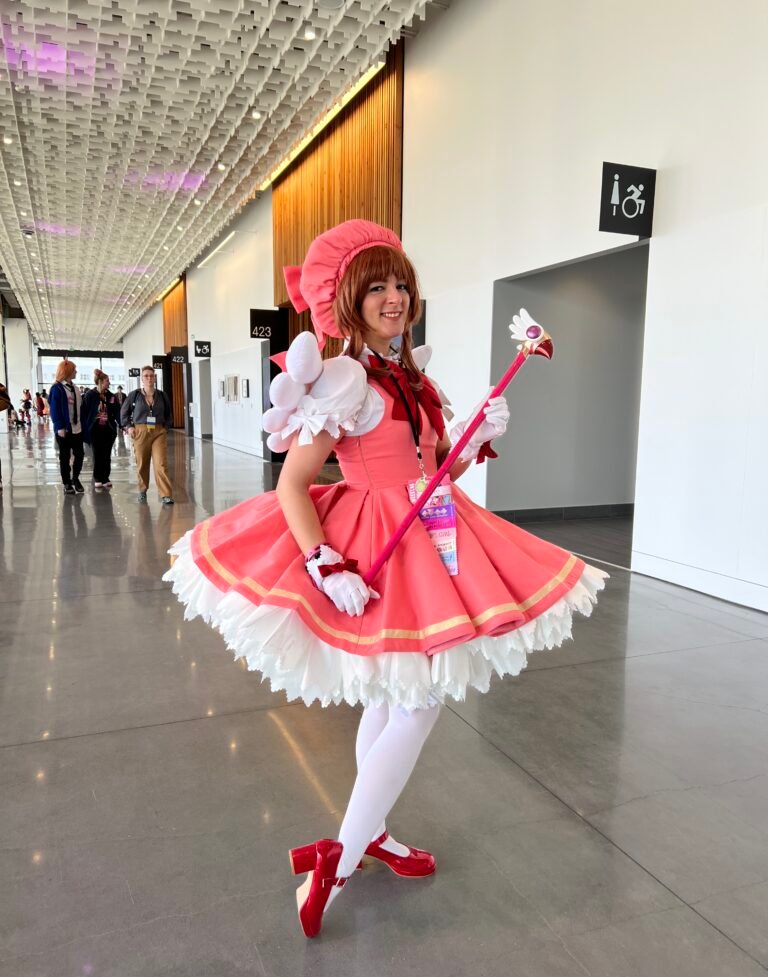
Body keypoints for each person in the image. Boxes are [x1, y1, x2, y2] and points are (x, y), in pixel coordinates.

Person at [164, 219, 608, 939]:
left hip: (434, 532)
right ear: (349, 300)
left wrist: (478, 437)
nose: (394, 297)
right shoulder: (346, 381)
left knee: (393, 693)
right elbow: (293, 484)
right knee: (419, 702)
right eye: (377, 287)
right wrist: (324, 562)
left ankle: (366, 834)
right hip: (377, 540)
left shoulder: (413, 379)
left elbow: (435, 470)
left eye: (401, 284)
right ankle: (340, 860)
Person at [120, 366, 174, 504]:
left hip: (158, 431)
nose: (149, 378)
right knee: (142, 463)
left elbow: (168, 414)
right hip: (140, 431)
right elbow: (124, 413)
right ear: (142, 379)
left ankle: (166, 494)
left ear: (155, 378)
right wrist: (129, 427)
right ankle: (142, 490)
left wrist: (165, 428)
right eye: (146, 376)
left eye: (151, 375)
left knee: (161, 463)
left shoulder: (162, 395)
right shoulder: (134, 395)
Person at [49, 359, 84, 494]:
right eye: (74, 370)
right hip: (64, 429)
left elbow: (80, 408)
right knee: (64, 457)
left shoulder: (76, 389)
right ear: (68, 371)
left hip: (77, 428)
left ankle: (75, 478)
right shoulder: (57, 388)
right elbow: (54, 409)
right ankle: (67, 482)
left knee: (80, 454)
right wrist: (59, 426)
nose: (76, 372)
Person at [81, 369, 119, 488]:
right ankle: (97, 477)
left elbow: (117, 412)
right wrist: (84, 428)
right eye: (107, 380)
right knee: (97, 454)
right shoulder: (90, 395)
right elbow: (84, 412)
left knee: (107, 454)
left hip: (108, 429)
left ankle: (105, 477)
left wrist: (123, 425)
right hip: (95, 429)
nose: (109, 383)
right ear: (100, 382)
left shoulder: (111, 396)